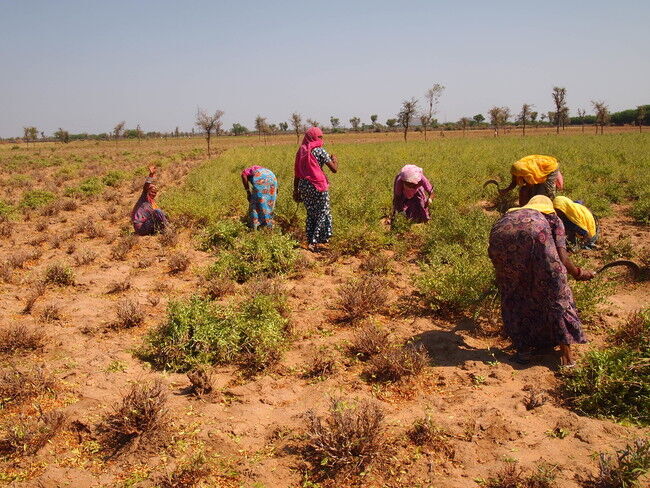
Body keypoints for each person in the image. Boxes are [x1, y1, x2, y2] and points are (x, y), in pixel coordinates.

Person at [487, 195, 595, 366]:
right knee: (557, 293)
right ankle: (566, 357)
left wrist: (505, 275)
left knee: (515, 294)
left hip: (499, 236)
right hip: (535, 233)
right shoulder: (551, 217)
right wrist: (579, 273)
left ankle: (523, 351)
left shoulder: (510, 214)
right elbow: (563, 259)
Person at [293, 127, 338, 251]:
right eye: (320, 137)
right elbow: (334, 169)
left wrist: (295, 190)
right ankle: (317, 242)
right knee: (323, 212)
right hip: (318, 185)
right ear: (314, 138)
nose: (321, 139)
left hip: (304, 186)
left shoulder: (301, 152)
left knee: (311, 213)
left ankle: (310, 239)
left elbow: (297, 173)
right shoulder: (320, 151)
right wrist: (335, 160)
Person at [499, 155, 564, 206]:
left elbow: (529, 186)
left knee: (547, 190)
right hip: (538, 167)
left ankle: (551, 205)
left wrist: (528, 196)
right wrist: (506, 190)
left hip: (550, 166)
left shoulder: (527, 172)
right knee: (534, 191)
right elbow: (514, 182)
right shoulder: (515, 169)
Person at [131, 166, 169, 236]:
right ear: (148, 191)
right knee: (158, 212)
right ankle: (168, 230)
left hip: (148, 226)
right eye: (152, 192)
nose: (153, 194)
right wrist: (151, 175)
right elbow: (146, 186)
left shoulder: (153, 203)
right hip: (141, 228)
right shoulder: (144, 197)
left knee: (163, 214)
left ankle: (165, 230)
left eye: (155, 193)